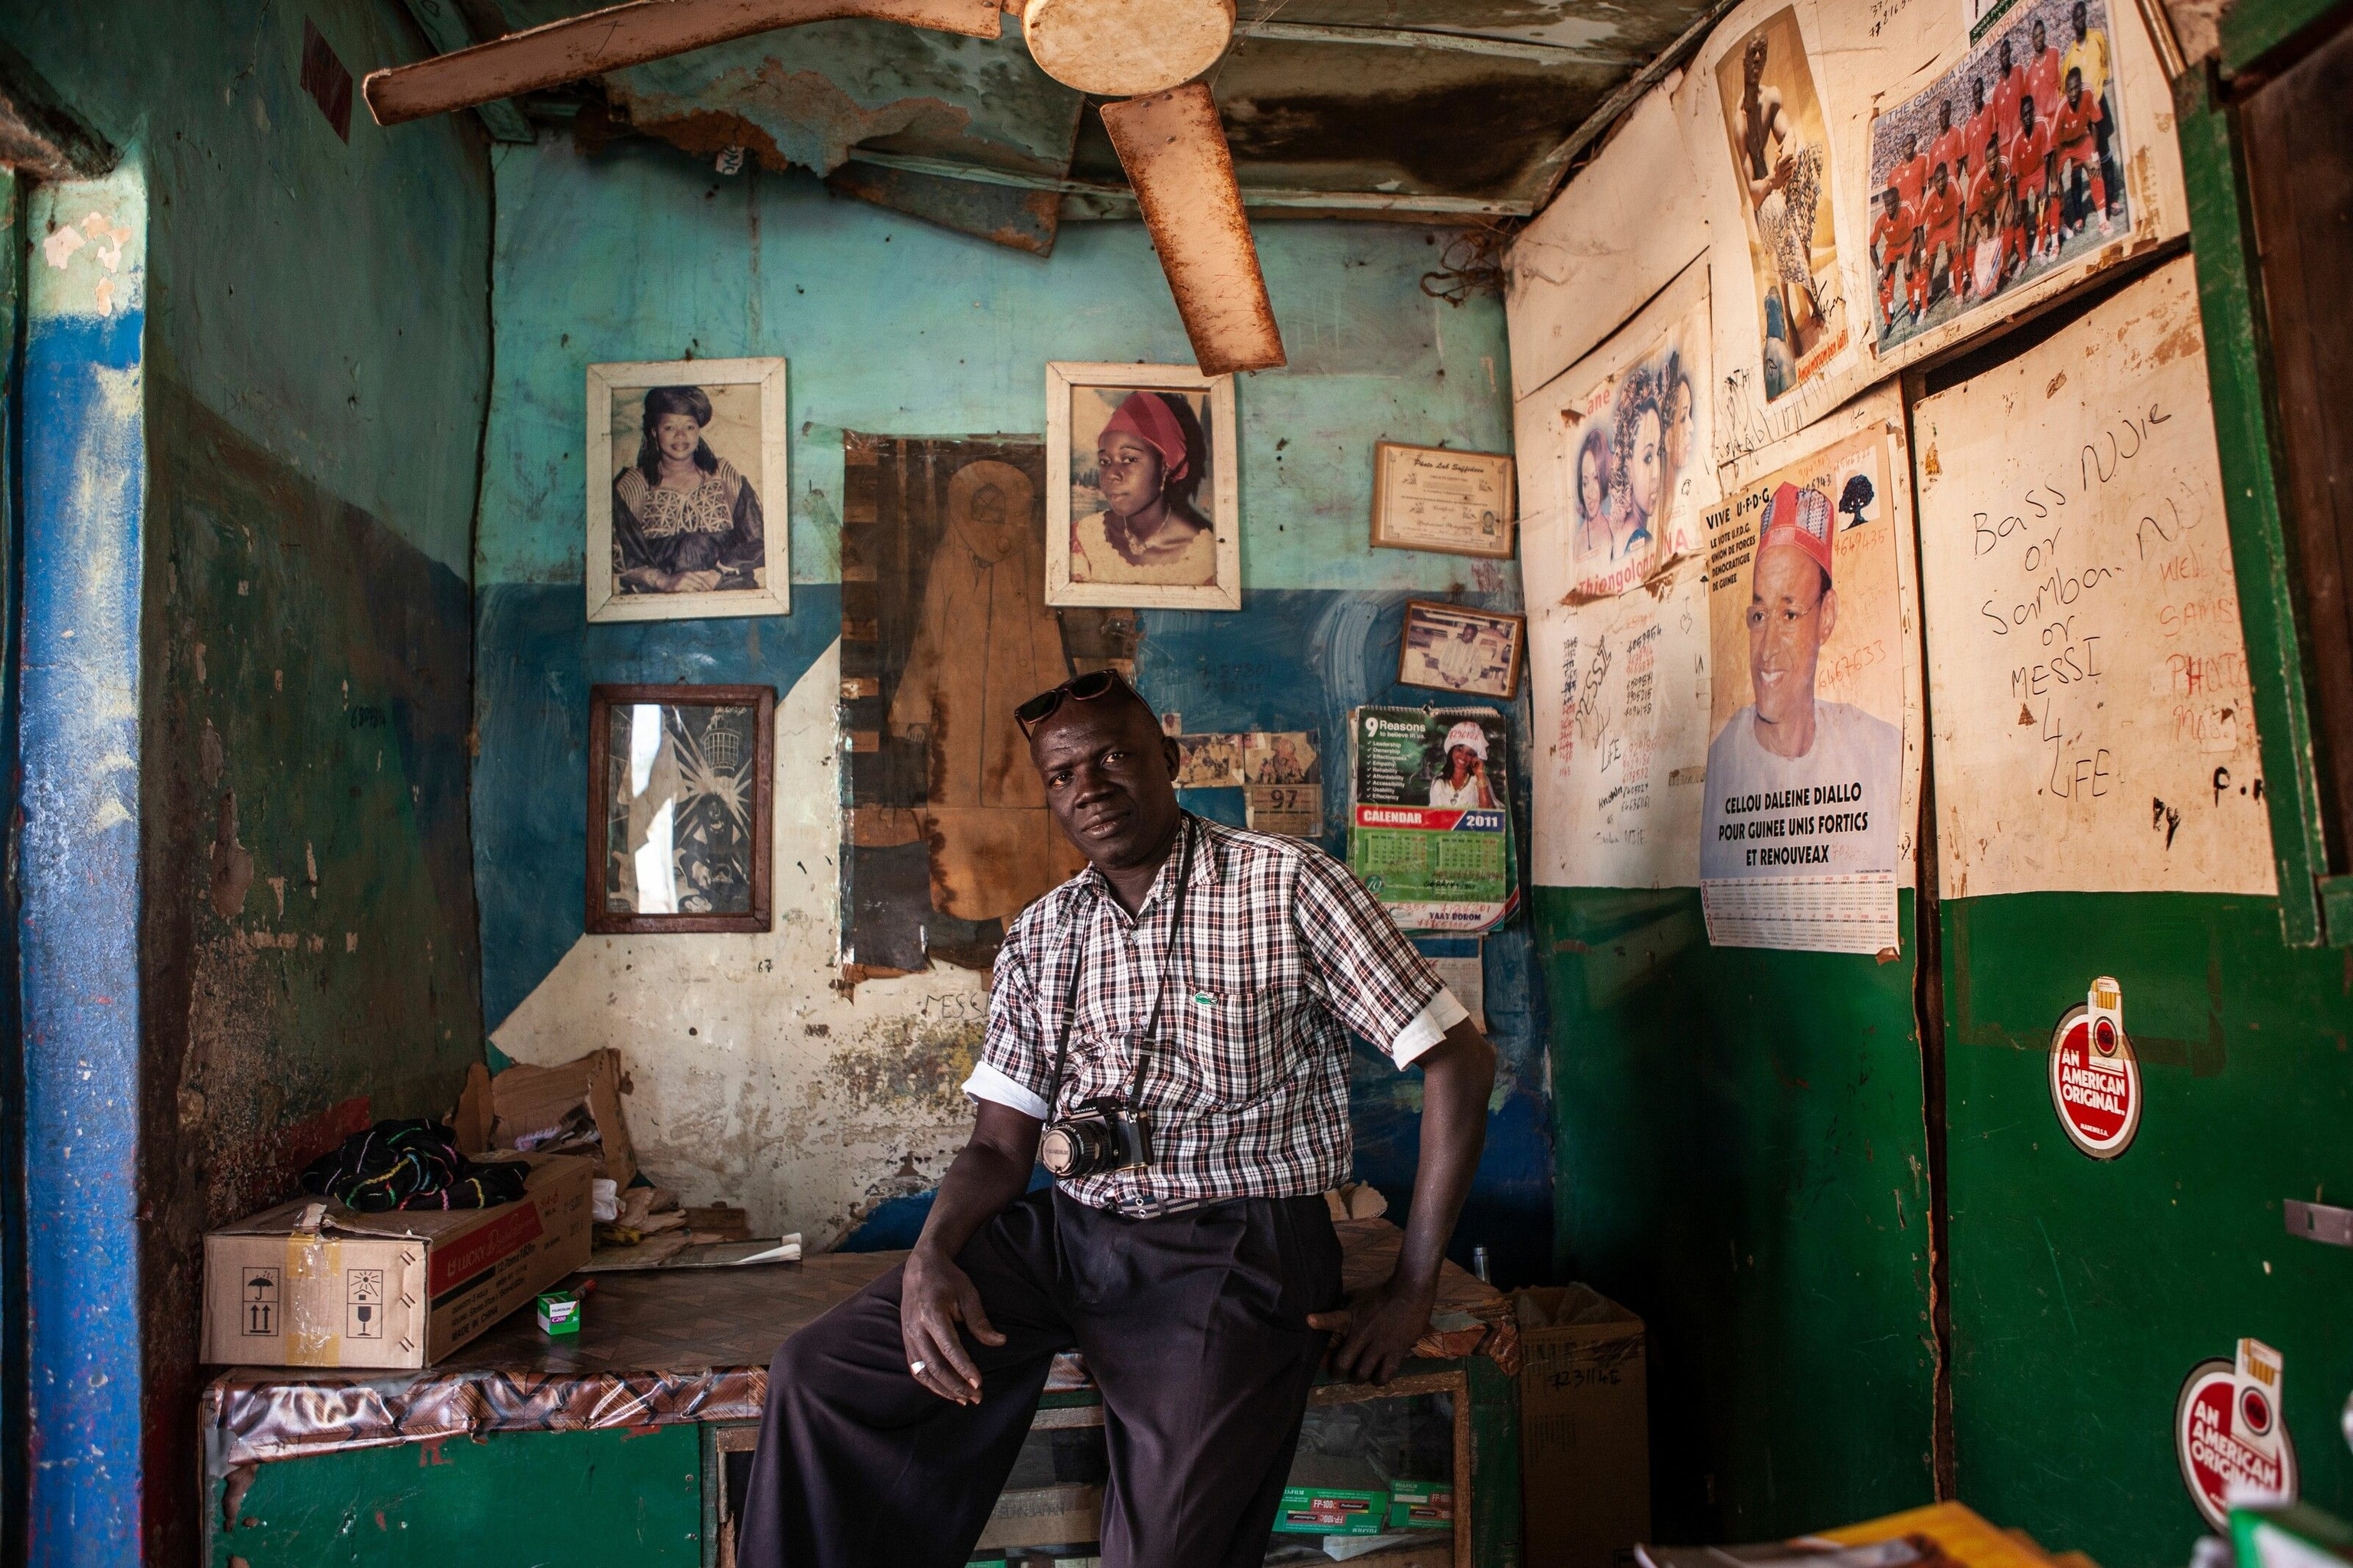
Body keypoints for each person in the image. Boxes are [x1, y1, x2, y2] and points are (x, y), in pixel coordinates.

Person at [736, 670, 1497, 1568]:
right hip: (1073, 1233)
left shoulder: (1284, 884)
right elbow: (996, 1143)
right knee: (821, 1376)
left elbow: (1458, 1060)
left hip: (1234, 1246)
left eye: (1113, 759)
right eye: (1062, 775)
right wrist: (929, 1259)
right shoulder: (1043, 932)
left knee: (1166, 1548)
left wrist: (1413, 1288)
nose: (1088, 788)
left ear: (1168, 761)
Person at [888, 459, 1087, 921]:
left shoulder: (1032, 557)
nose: (993, 516)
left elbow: (1048, 639)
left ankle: (1032, 912)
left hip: (1018, 706)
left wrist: (1057, 715)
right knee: (963, 807)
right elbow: (930, 635)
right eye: (985, 504)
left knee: (1026, 800)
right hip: (961, 709)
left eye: (1002, 507)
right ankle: (976, 902)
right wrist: (917, 710)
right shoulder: (950, 556)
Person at [1697, 483, 1900, 882]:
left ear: (1826, 617)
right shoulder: (1722, 762)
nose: (1767, 649)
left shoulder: (1879, 751)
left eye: (1789, 615)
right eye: (1759, 616)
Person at [610, 385, 766, 595]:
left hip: (728, 587)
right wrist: (664, 581)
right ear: (654, 431)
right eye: (669, 428)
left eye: (690, 427)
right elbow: (618, 557)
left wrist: (717, 574)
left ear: (699, 431)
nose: (681, 436)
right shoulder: (633, 488)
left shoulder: (725, 478)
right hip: (660, 597)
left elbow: (759, 539)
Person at [1735, 31, 1831, 354]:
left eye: (1763, 52)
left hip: (1779, 181)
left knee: (1810, 153)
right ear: (1744, 61)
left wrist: (1788, 152)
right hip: (1765, 201)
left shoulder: (1772, 97)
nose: (1759, 59)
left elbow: (1787, 132)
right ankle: (1790, 312)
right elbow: (1753, 193)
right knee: (1779, 214)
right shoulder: (1741, 124)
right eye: (1754, 53)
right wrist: (1774, 181)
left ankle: (1808, 290)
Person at [1072, 391, 1216, 588]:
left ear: (1165, 466)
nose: (1112, 474)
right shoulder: (1084, 537)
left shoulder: (1207, 559)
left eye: (1129, 459)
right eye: (1104, 461)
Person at [2062, 0, 2119, 220]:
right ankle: (2079, 215)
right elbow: (2063, 88)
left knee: (2103, 151)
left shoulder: (2097, 38)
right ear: (2072, 22)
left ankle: (2111, 198)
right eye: (2074, 19)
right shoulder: (2069, 57)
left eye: (2081, 17)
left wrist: (2103, 79)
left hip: (2099, 103)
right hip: (2081, 113)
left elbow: (2104, 62)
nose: (2078, 22)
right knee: (2079, 161)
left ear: (2085, 17)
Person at [1610, 370, 1666, 559]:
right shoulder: (1641, 541)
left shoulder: (1617, 541)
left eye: (1659, 453)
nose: (1657, 473)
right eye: (1648, 458)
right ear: (1627, 468)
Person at [2050, 66, 2112, 240]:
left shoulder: (2088, 92)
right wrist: (2055, 180)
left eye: (2076, 88)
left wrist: (2094, 153)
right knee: (2056, 187)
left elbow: (2094, 123)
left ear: (2080, 85)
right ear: (2065, 90)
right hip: (2062, 146)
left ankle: (2103, 220)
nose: (2073, 93)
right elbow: (2054, 146)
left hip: (2080, 139)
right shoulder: (2061, 109)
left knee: (2094, 168)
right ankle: (2061, 226)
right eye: (2069, 90)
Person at [1870, 182, 1916, 332]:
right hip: (1892, 248)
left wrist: (1909, 259)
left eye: (1892, 204)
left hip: (1908, 241)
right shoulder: (1881, 219)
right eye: (1887, 204)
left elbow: (1916, 230)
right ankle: (1889, 320)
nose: (1889, 207)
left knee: (1907, 272)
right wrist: (1879, 272)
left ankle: (1912, 309)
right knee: (1884, 281)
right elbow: (1872, 247)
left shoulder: (1906, 208)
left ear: (1897, 200)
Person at [1919, 161, 1964, 311]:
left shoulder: (1952, 183)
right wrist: (1924, 253)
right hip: (1936, 228)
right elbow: (1919, 226)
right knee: (1927, 263)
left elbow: (1962, 206)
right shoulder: (1931, 195)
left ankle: (1958, 293)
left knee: (1956, 252)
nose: (1940, 184)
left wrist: (1958, 234)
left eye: (1942, 179)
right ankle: (1925, 305)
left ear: (1947, 176)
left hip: (1951, 222)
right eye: (1937, 181)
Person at [1427, 720, 1497, 810]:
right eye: (1460, 750)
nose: (1463, 757)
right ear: (1452, 750)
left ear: (1474, 757)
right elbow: (1433, 816)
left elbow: (1489, 814)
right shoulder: (1439, 783)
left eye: (1470, 753)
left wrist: (1480, 774)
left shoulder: (1480, 780)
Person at [1571, 424, 1615, 567]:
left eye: (1595, 478)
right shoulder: (1580, 542)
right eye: (1585, 483)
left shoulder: (1615, 526)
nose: (1589, 493)